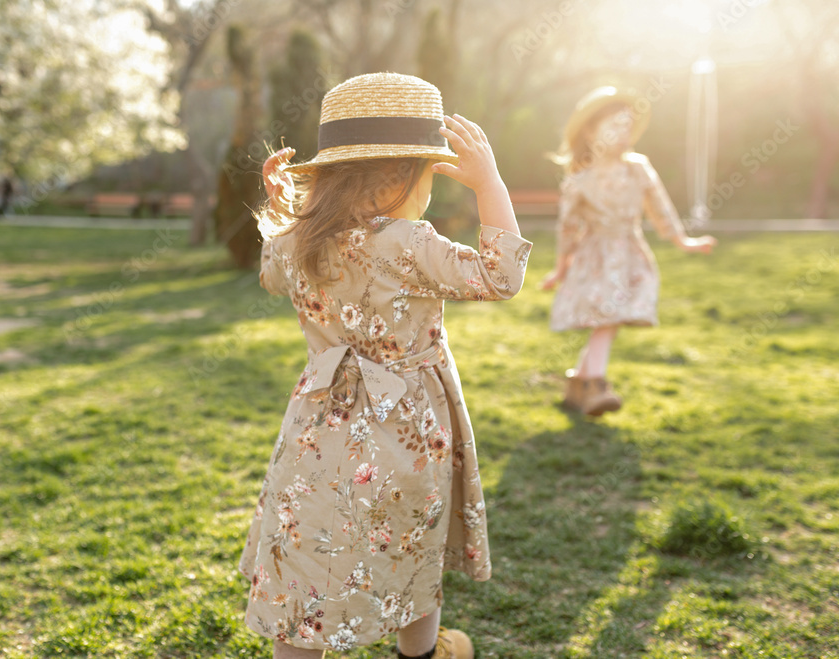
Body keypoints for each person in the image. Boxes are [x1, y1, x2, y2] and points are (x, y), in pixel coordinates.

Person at [239, 72, 533, 659]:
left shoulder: (298, 241)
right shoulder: (406, 241)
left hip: (317, 427)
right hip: (407, 428)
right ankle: (420, 652)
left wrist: (285, 210)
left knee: (305, 546)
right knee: (410, 541)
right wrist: (490, 184)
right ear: (404, 175)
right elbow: (502, 276)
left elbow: (272, 272)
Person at [539, 86, 717, 416]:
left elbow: (660, 208)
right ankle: (595, 384)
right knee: (607, 317)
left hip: (630, 252)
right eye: (613, 126)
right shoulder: (579, 181)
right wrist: (560, 269)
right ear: (591, 132)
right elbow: (567, 229)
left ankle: (578, 382)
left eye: (627, 126)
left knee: (609, 318)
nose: (623, 133)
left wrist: (683, 241)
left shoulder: (638, 167)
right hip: (597, 257)